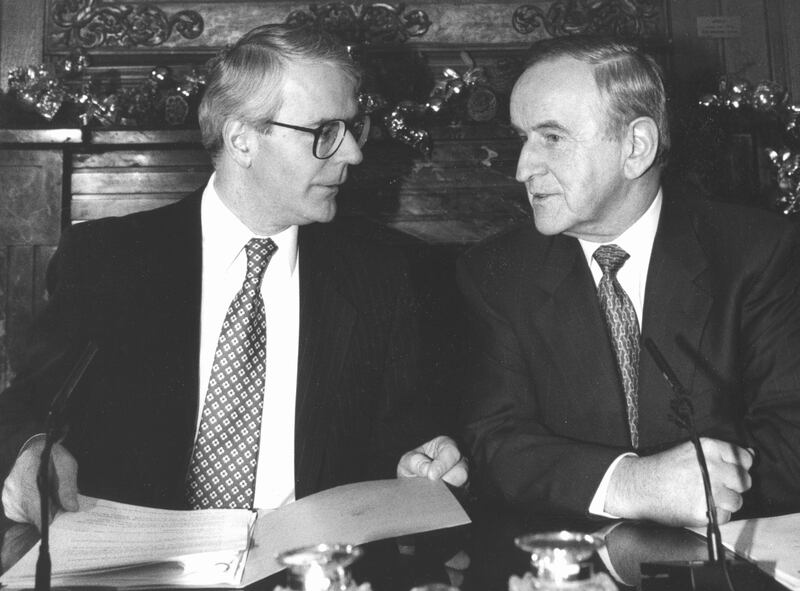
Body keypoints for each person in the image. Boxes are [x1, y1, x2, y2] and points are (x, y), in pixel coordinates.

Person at [0, 23, 467, 527]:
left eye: (355, 128)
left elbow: (406, 441)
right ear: (242, 139)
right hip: (143, 570)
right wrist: (33, 450)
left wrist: (418, 464)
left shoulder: (386, 272)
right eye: (326, 132)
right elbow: (31, 402)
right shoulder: (110, 259)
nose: (353, 152)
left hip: (316, 576)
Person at [458, 35, 800, 527]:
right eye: (522, 138)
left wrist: (700, 492)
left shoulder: (758, 253)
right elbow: (492, 441)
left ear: (635, 147)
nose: (522, 168)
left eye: (552, 138)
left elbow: (792, 437)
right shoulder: (495, 272)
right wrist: (630, 484)